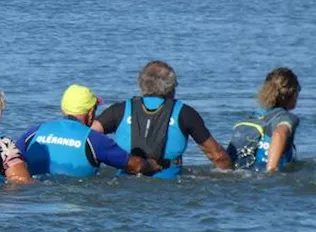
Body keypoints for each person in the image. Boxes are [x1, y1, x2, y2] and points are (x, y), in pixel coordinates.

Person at [92, 61, 233, 178]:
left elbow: (88, 138)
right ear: (171, 88)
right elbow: (218, 156)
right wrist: (232, 174)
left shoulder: (119, 110)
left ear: (141, 84)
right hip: (168, 186)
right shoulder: (185, 113)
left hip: (125, 181)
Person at [17, 85, 163, 178]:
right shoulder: (94, 140)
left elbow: (10, 158)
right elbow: (135, 165)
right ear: (91, 112)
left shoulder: (35, 132)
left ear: (63, 109)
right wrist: (152, 164)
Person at [228, 67, 301, 172]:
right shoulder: (287, 118)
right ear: (292, 93)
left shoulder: (255, 117)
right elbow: (280, 133)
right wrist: (271, 171)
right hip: (264, 175)